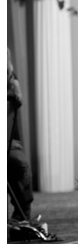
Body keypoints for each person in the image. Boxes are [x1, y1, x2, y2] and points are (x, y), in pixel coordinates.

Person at [7, 47, 34, 222]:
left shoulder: (11, 80)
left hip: (8, 140)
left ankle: (21, 218)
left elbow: (17, 94)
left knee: (19, 164)